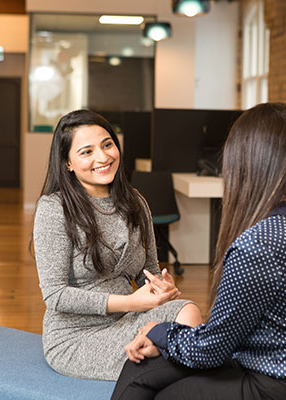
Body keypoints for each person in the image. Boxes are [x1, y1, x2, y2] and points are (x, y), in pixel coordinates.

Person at [111, 102, 286, 399]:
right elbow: (231, 330)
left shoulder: (260, 242)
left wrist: (157, 331)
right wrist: (164, 340)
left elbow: (211, 350)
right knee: (147, 370)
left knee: (158, 387)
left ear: (247, 160)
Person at [32, 109, 202, 381]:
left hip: (129, 320)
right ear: (68, 163)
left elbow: (147, 271)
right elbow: (55, 296)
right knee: (178, 358)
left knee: (189, 311)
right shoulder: (55, 208)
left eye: (107, 144)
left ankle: (164, 351)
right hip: (77, 335)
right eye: (86, 152)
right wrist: (131, 303)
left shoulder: (135, 202)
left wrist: (161, 288)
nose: (103, 157)